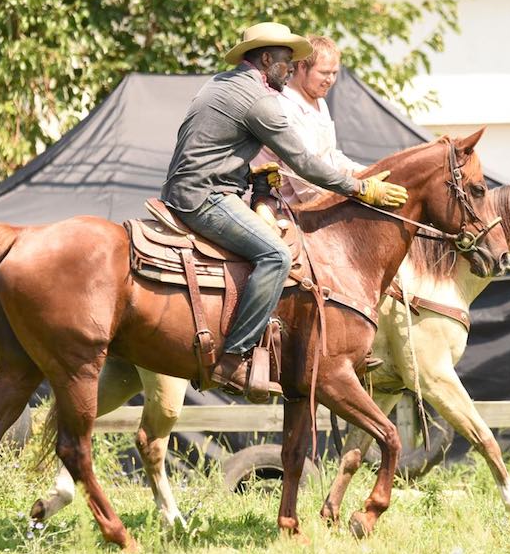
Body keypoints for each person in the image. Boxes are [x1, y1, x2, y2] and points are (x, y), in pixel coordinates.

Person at [161, 22, 408, 398]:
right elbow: (306, 165)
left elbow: (215, 148)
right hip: (204, 196)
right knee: (276, 255)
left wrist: (255, 176)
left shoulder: (222, 83)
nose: (292, 69)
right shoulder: (261, 101)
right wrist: (362, 189)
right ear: (264, 59)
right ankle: (234, 360)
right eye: (285, 62)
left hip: (195, 188)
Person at [251, 35, 367, 204]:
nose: (330, 80)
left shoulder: (319, 101)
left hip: (318, 196)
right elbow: (305, 186)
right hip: (279, 208)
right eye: (324, 73)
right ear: (302, 67)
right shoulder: (284, 108)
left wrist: (368, 175)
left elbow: (330, 156)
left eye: (334, 73)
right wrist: (356, 193)